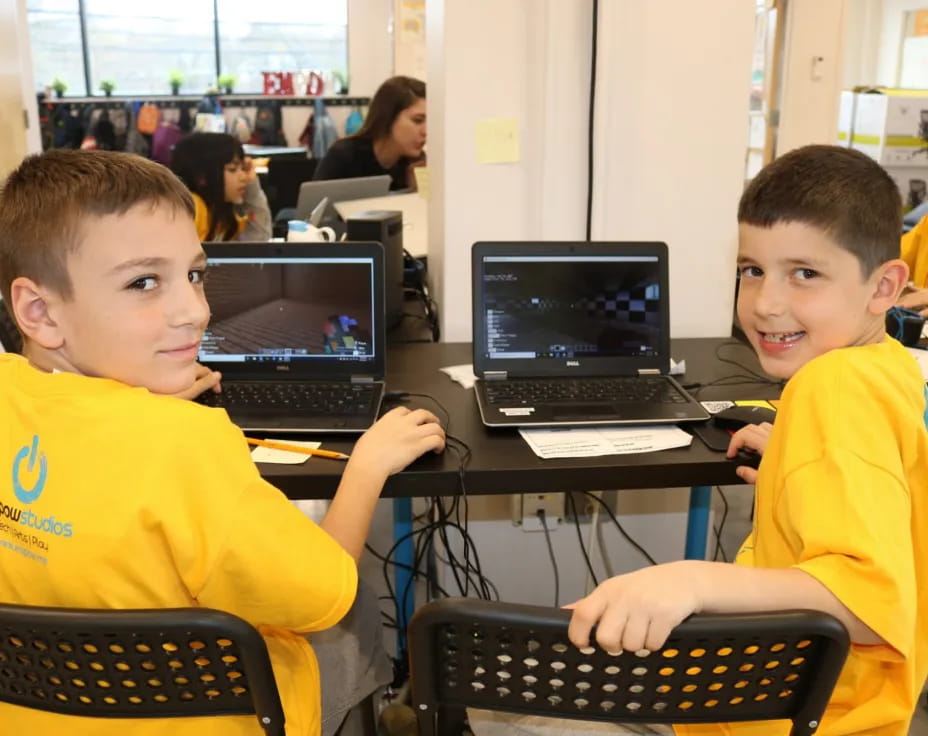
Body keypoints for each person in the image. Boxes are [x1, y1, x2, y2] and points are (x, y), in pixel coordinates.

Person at [470, 145, 928, 736]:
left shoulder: (832, 384)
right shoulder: (888, 368)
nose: (765, 303)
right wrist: (793, 467)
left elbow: (871, 603)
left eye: (805, 274)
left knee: (504, 709)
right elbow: (895, 504)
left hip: (780, 715)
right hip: (823, 701)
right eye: (752, 270)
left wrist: (689, 580)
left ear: (884, 286)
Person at [0, 149, 446, 736]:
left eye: (195, 273)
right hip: (216, 717)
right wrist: (367, 464)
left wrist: (137, 406)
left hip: (41, 716)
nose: (196, 311)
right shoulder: (190, 445)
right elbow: (324, 590)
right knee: (354, 610)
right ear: (38, 310)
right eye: (143, 282)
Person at [312, 76, 426, 191]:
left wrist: (416, 190)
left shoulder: (415, 164)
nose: (426, 131)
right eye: (418, 120)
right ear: (388, 117)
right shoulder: (344, 156)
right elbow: (313, 207)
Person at [170, 131, 272, 242]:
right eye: (232, 169)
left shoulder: (222, 215)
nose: (243, 177)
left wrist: (252, 187)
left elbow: (256, 243)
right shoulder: (192, 208)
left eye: (243, 168)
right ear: (202, 178)